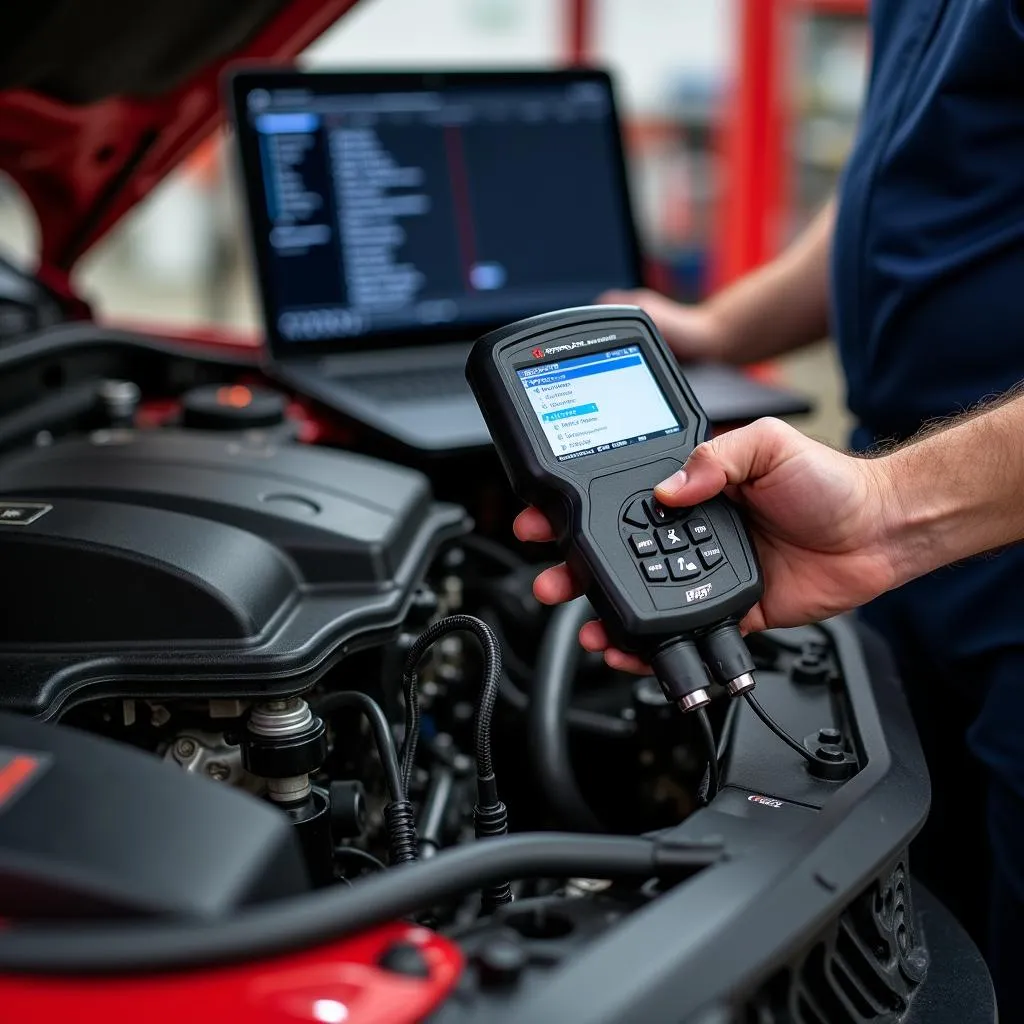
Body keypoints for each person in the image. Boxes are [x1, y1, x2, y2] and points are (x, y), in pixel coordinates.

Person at [523, 1, 1024, 1011]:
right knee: (926, 929)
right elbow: (903, 180)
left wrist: (888, 505)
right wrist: (711, 325)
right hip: (914, 532)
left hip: (983, 537)